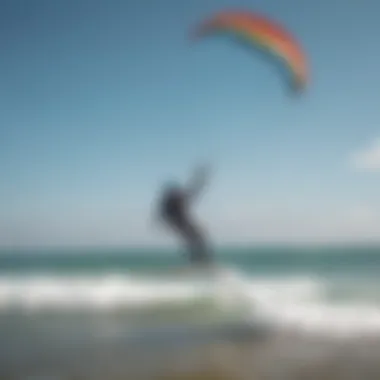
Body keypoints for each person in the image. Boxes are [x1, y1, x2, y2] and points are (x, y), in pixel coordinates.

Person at [156, 165, 212, 265]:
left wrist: (200, 179)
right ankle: (197, 261)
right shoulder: (178, 198)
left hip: (175, 217)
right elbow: (165, 213)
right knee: (196, 237)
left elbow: (193, 190)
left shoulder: (181, 198)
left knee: (197, 237)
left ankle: (198, 260)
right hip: (173, 217)